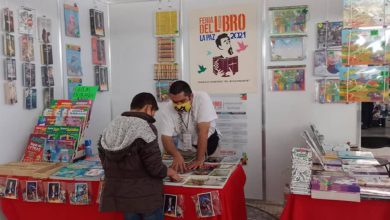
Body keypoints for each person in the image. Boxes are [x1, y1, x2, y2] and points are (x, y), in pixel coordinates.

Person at [98, 92, 180, 220]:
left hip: (122, 195)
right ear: (148, 107)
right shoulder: (145, 127)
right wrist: (170, 172)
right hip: (146, 196)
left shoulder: (112, 124)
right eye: (153, 112)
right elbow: (155, 167)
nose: (153, 115)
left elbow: (103, 154)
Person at [159, 81, 220, 172]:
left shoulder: (202, 98)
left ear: (191, 96)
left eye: (182, 101)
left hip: (209, 144)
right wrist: (176, 155)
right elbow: (165, 138)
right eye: (175, 102)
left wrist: (199, 160)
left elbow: (203, 132)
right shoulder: (167, 108)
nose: (179, 105)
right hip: (187, 148)